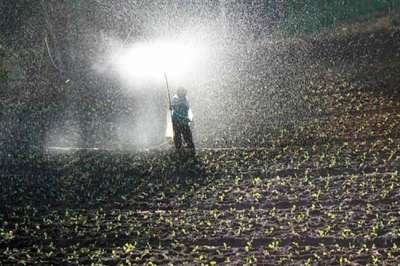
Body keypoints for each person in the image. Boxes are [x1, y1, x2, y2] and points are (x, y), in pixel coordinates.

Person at [171, 87, 195, 151]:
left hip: (184, 120)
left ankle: (190, 146)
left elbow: (187, 107)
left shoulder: (186, 99)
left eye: (184, 92)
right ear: (178, 92)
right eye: (182, 92)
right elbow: (174, 107)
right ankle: (178, 147)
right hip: (176, 120)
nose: (184, 93)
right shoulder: (174, 99)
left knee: (187, 134)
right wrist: (171, 106)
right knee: (177, 134)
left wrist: (189, 118)